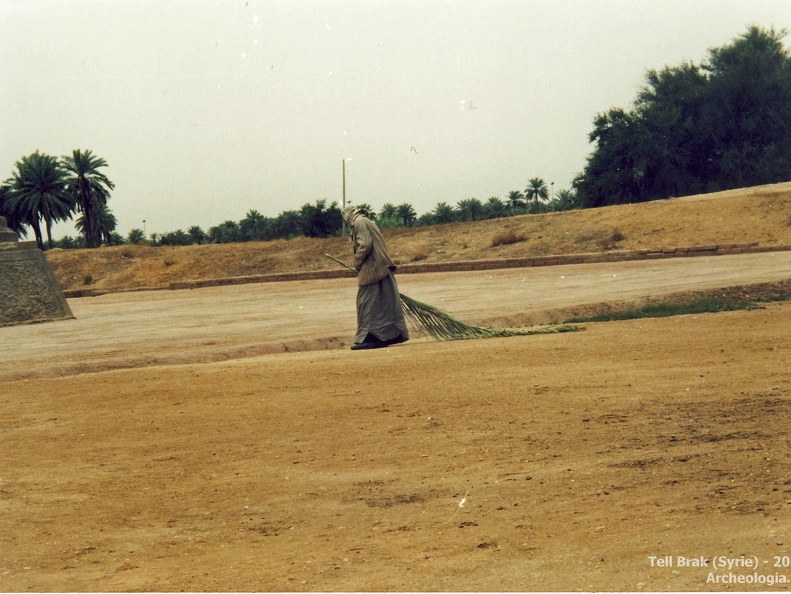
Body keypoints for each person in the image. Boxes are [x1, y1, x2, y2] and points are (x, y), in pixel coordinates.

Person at [341, 205, 409, 350]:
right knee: (381, 303)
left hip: (372, 268)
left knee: (365, 303)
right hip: (380, 266)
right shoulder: (366, 221)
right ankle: (387, 335)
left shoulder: (358, 222)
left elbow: (365, 245)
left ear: (347, 215)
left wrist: (357, 263)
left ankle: (369, 337)